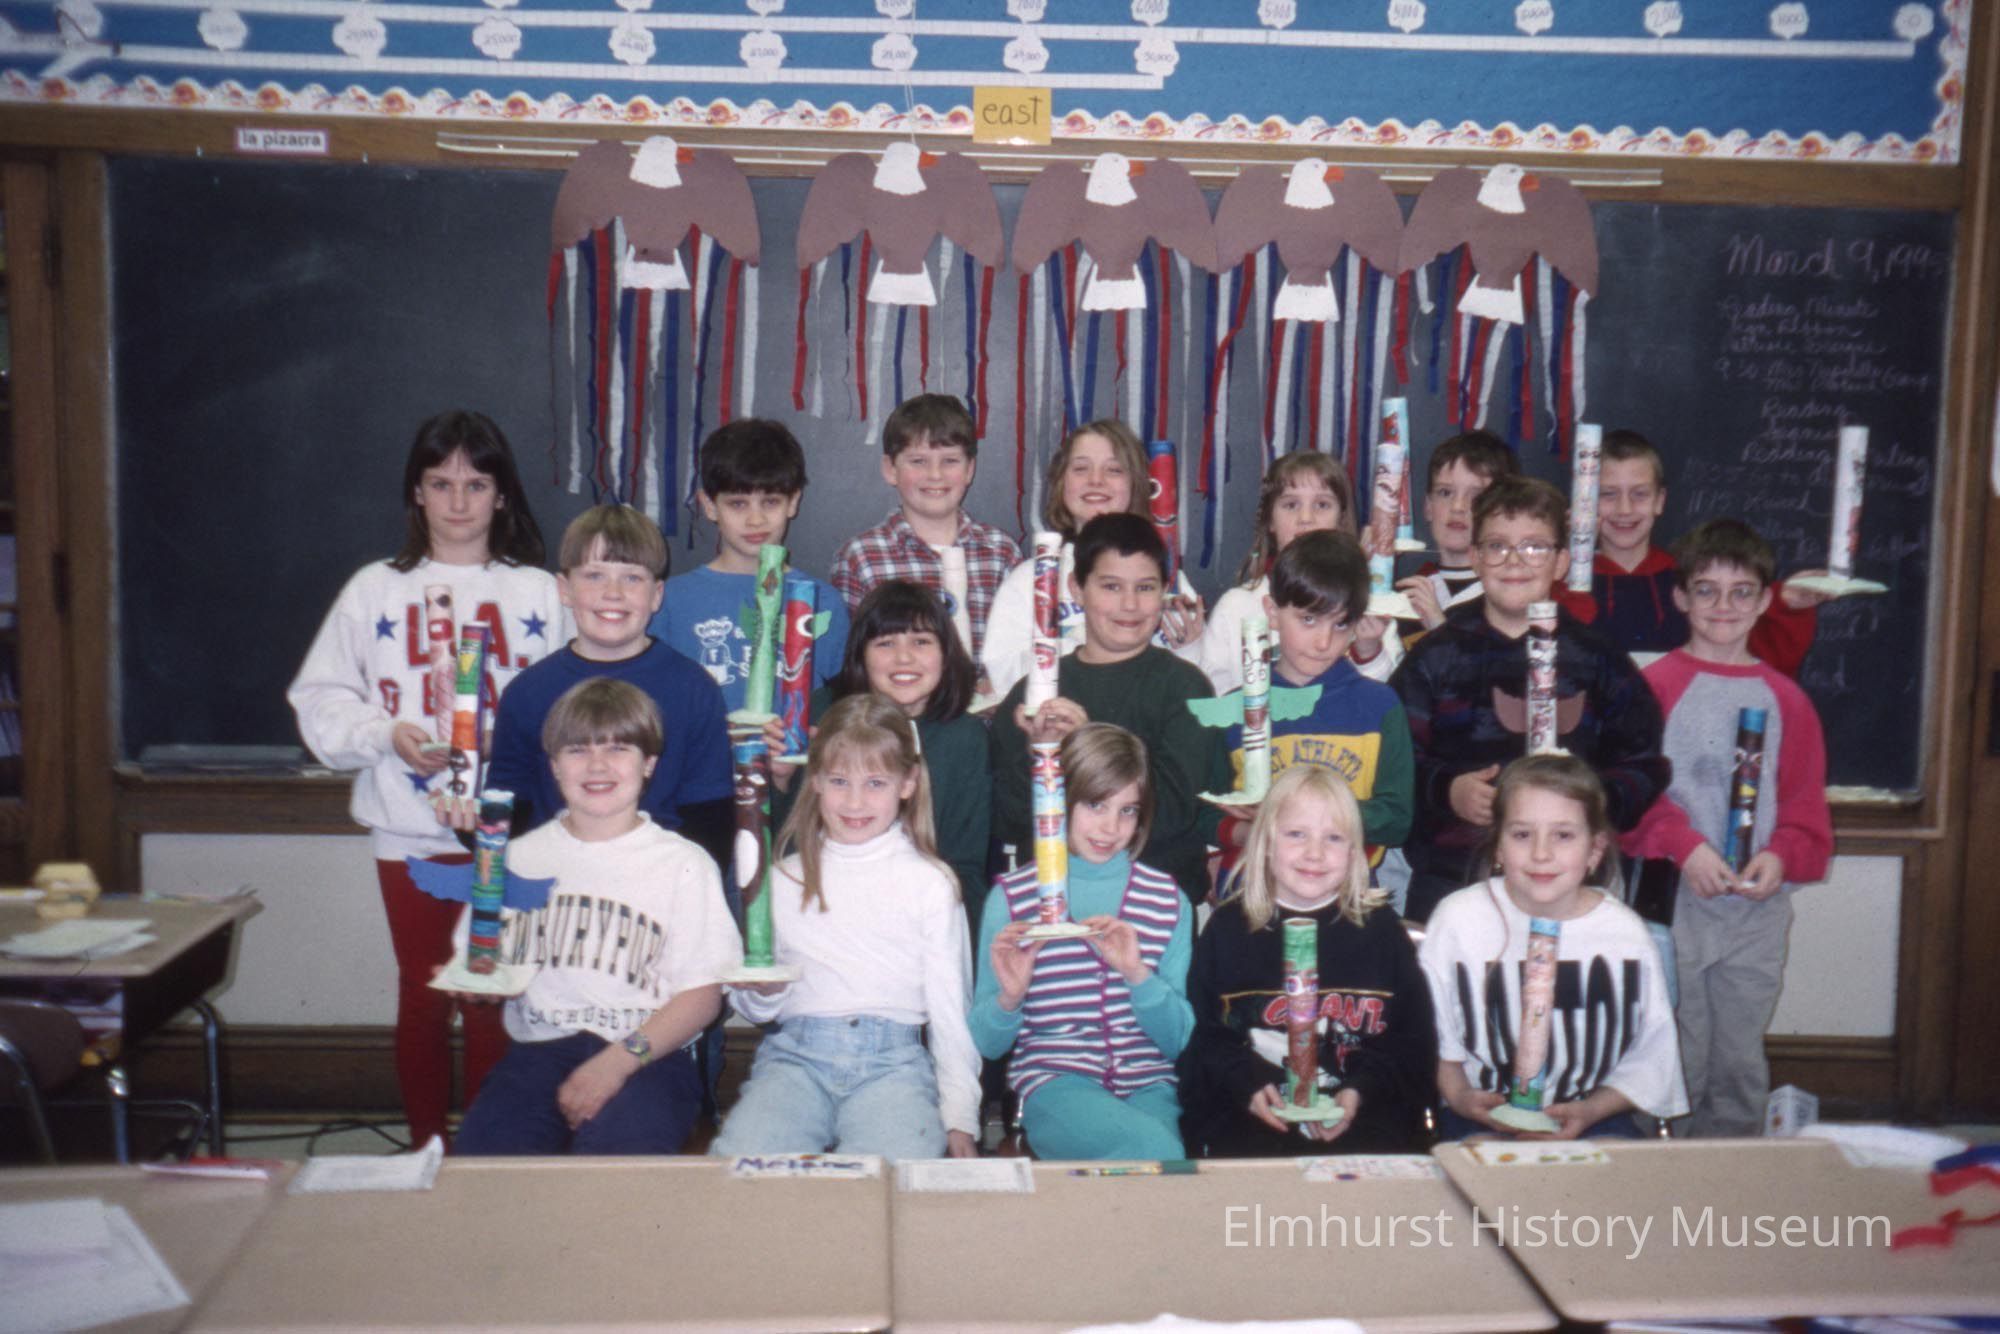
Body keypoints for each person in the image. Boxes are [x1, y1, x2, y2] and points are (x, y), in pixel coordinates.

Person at [288, 409, 566, 1149]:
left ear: (502, 495)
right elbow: (320, 699)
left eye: (476, 484)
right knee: (422, 990)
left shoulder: (539, 592)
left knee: (490, 992)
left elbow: (576, 703)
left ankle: (484, 1147)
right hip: (407, 828)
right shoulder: (375, 589)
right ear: (416, 492)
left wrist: (523, 755)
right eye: (441, 484)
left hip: (510, 827)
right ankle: (423, 1145)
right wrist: (387, 734)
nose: (458, 501)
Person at [451, 680, 741, 1155]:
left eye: (618, 748)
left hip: (649, 1053)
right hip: (536, 1052)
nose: (598, 765)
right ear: (554, 765)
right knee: (488, 1166)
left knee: (614, 1167)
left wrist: (617, 1063)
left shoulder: (684, 864)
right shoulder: (515, 859)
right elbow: (480, 960)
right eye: (578, 749)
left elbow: (703, 998)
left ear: (649, 764)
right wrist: (479, 977)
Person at [1622, 519, 1832, 1137]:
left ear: (1765, 601)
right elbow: (1631, 795)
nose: (1723, 606)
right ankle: (1661, 1172)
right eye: (1706, 590)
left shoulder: (1786, 699)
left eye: (1741, 592)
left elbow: (1803, 809)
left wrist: (1781, 855)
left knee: (1738, 1060)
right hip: (1673, 902)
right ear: (1681, 597)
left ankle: (1734, 1174)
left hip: (1754, 913)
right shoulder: (1653, 688)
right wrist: (1684, 847)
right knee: (1674, 1053)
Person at [710, 694, 979, 1160]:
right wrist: (761, 992)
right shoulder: (782, 879)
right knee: (741, 1165)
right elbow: (753, 1006)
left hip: (893, 1065)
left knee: (891, 1174)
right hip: (794, 1060)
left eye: (875, 782)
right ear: (815, 780)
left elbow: (951, 1010)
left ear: (908, 783)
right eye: (839, 781)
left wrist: (960, 1118)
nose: (855, 802)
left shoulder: (931, 883)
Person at [1391, 476, 1669, 923]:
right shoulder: (1435, 656)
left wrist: (1588, 804)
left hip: (1569, 886)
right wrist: (1447, 790)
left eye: (1535, 547)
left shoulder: (1597, 658)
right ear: (1476, 557)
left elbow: (1644, 763)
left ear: (1561, 562)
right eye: (1497, 546)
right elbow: (1395, 759)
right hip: (1454, 880)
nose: (1515, 561)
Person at [1419, 754, 1688, 1139]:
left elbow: (1652, 1057)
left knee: (1614, 1172)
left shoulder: (1624, 935)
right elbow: (1433, 1037)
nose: (1541, 853)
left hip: (1593, 1116)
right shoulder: (1458, 922)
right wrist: (1460, 1097)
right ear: (1498, 847)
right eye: (1522, 835)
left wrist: (1591, 1111)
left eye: (1563, 835)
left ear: (1594, 850)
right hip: (1479, 1113)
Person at [1183, 765, 1436, 1157]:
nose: (1314, 853)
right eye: (1296, 834)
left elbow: (1412, 1043)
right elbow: (1203, 1038)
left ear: (1355, 851)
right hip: (1255, 1120)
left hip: (1364, 1119)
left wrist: (1360, 1091)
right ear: (1266, 842)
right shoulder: (1228, 930)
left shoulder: (1381, 932)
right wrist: (1247, 1085)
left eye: (1333, 837)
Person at [969, 723, 1194, 1160]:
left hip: (1149, 1087)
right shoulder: (1014, 899)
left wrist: (1137, 975)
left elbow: (1176, 1041)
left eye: (1128, 810)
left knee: (1160, 1166)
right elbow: (987, 1043)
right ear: (1059, 799)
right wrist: (1010, 998)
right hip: (1055, 1085)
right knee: (1157, 1153)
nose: (1110, 827)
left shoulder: (1167, 900)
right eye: (1095, 805)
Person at [483, 504, 733, 872]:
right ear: (564, 589)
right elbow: (508, 813)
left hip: (658, 883)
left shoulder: (694, 688)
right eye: (594, 575)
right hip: (554, 884)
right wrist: (469, 827)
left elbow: (711, 819)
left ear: (656, 595)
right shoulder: (527, 692)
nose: (613, 593)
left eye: (632, 578)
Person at [990, 513, 1224, 903]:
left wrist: (1084, 746)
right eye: (1111, 586)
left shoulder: (1186, 687)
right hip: (1056, 903)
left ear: (1165, 590)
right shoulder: (1035, 692)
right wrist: (1039, 754)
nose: (1129, 604)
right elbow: (1009, 818)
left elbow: (1172, 813)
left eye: (1145, 587)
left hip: (1157, 907)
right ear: (1076, 589)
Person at [771, 580, 991, 925]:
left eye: (921, 642)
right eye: (885, 643)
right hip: (824, 910)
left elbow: (966, 867)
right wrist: (780, 780)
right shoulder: (820, 715)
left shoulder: (966, 737)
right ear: (861, 654)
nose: (904, 658)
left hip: (920, 917)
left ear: (946, 653)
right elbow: (787, 846)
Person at [1200, 530, 1413, 882]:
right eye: (1308, 619)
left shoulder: (1380, 707)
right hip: (1251, 890)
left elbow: (1397, 820)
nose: (1323, 641)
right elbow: (1206, 814)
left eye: (1340, 623)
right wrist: (1249, 833)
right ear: (1272, 612)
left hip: (1346, 893)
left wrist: (1290, 817)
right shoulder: (1234, 710)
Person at [981, 419, 1202, 698]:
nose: (1096, 480)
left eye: (1114, 470)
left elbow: (1197, 685)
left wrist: (1191, 648)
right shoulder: (1030, 578)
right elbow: (1003, 674)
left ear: (1136, 484)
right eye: (1081, 468)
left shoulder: (1166, 576)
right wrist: (1087, 646)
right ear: (1061, 482)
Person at [650, 418, 849, 711]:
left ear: (793, 502)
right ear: (709, 506)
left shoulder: (823, 602)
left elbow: (839, 710)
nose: (755, 520)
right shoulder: (670, 601)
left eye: (770, 502)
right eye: (738, 504)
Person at [1590, 428, 1824, 673]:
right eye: (1608, 494)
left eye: (1639, 494)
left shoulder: (1696, 582)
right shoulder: (1568, 586)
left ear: (1659, 500)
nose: (1625, 509)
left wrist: (1786, 606)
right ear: (1587, 500)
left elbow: (1760, 666)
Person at [829, 393, 1021, 673]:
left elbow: (1019, 652)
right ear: (890, 469)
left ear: (970, 469)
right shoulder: (859, 558)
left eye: (950, 461)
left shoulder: (1001, 552)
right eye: (918, 461)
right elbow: (851, 662)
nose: (935, 475)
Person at [1193, 452, 1398, 692]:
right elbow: (1214, 698)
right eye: (1291, 505)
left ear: (1341, 519)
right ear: (1270, 520)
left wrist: (1368, 652)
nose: (1306, 518)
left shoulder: (1371, 605)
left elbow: (1384, 701)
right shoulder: (1236, 607)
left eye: (1322, 505)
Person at [1394, 429, 1519, 632]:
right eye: (1445, 492)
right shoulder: (1406, 595)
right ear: (1428, 507)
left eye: (1476, 496)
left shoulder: (1511, 596)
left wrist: (1438, 628)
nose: (1458, 507)